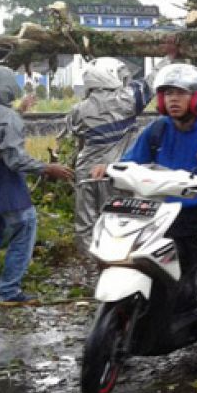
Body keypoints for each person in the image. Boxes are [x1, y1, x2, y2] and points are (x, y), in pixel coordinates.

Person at [95, 63, 197, 368]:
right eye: (167, 93)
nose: (173, 100)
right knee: (129, 257)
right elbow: (132, 161)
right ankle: (128, 320)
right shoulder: (156, 130)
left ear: (196, 98)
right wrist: (110, 169)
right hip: (156, 213)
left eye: (180, 94)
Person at [0, 65, 74, 306]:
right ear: (6, 86)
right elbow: (14, 158)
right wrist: (48, 168)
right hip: (3, 181)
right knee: (25, 227)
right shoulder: (8, 117)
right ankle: (9, 291)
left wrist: (19, 111)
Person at [67, 50, 172, 251]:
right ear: (109, 75)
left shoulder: (77, 110)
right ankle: (118, 260)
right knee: (118, 219)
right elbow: (151, 82)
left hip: (85, 171)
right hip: (114, 170)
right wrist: (169, 57)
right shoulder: (126, 99)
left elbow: (78, 138)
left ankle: (93, 266)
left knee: (86, 223)